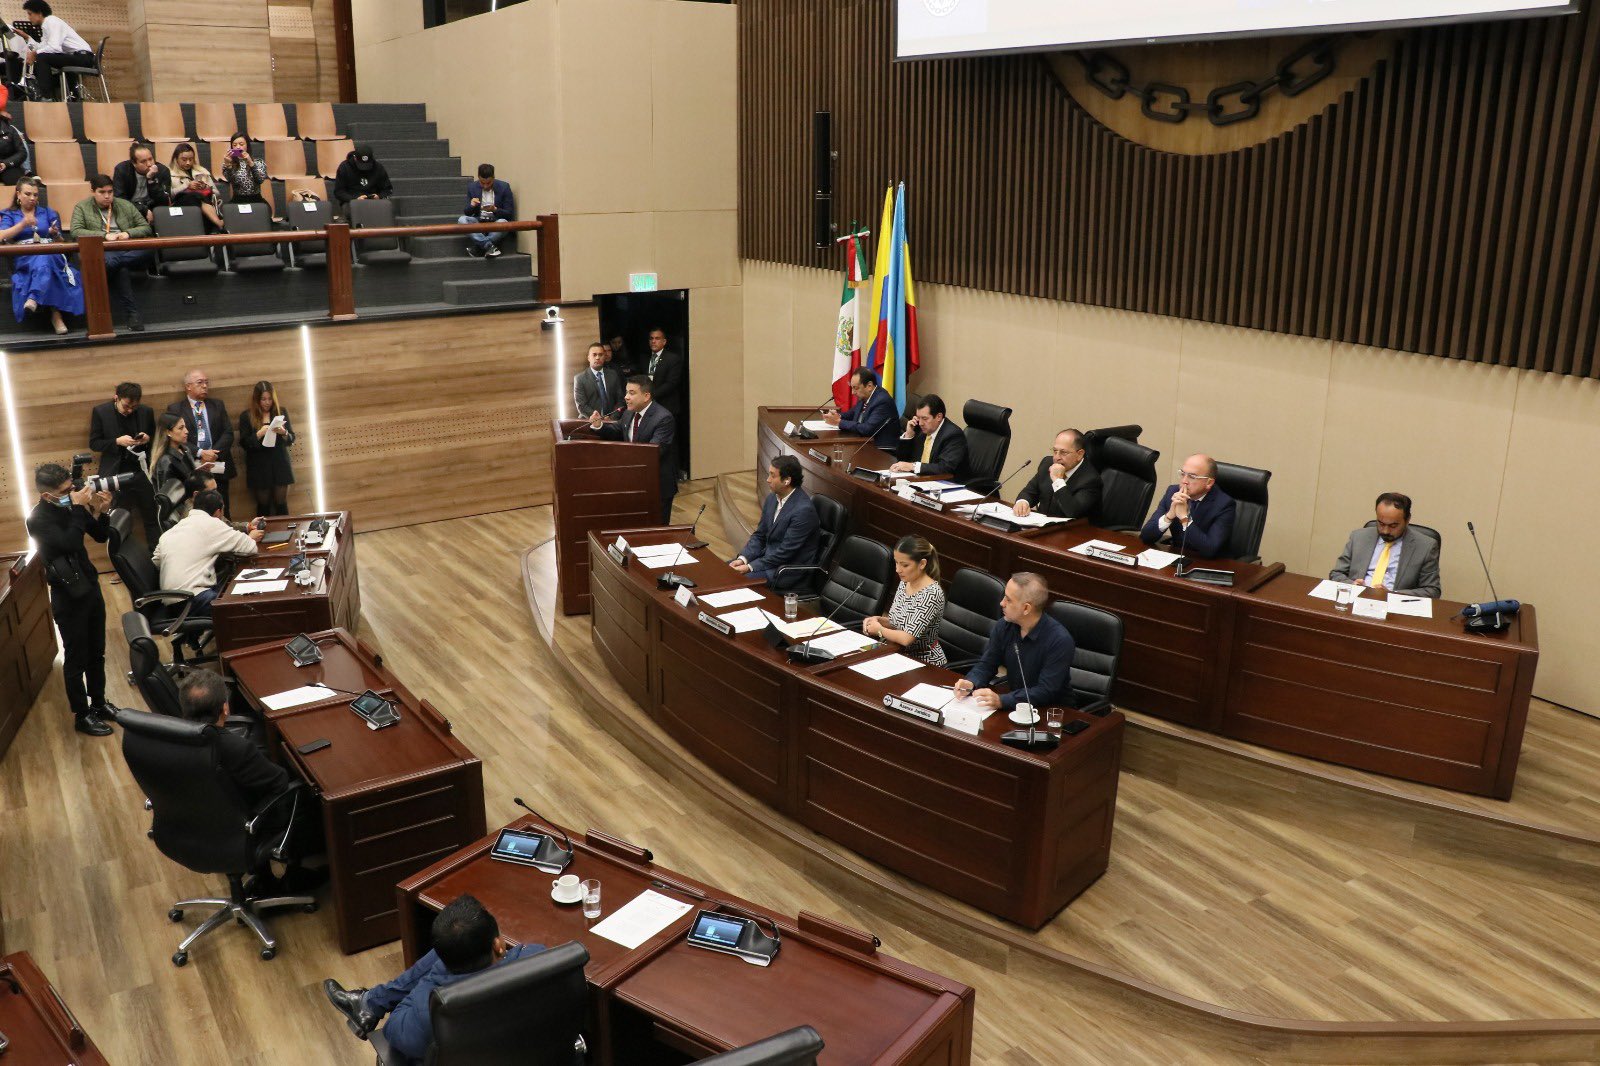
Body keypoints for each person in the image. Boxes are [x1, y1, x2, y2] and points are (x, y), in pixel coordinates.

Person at [322, 894, 545, 1061]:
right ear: (498, 945)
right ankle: (369, 1003)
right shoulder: (541, 961)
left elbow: (392, 1030)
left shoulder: (427, 1015)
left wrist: (438, 971)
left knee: (453, 943)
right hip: (534, 1055)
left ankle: (369, 1005)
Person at [175, 668, 323, 892]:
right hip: (248, 825)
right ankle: (295, 877)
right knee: (313, 792)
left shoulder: (174, 740)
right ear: (225, 708)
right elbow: (281, 782)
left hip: (200, 823)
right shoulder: (236, 748)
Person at [25, 462, 113, 735]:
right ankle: (82, 715)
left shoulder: (71, 508)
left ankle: (99, 703)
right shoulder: (38, 519)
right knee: (76, 658)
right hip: (68, 595)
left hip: (90, 586)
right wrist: (76, 507)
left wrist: (102, 512)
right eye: (64, 491)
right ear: (46, 495)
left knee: (97, 651)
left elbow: (99, 536)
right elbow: (70, 544)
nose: (71, 492)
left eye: (72, 488)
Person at [953, 572, 1073, 713]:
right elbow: (987, 664)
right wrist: (971, 682)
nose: (1001, 603)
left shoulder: (1059, 640)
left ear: (1026, 608)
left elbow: (1046, 691)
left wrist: (1002, 700)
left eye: (1008, 600)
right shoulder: (1004, 626)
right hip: (1018, 707)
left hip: (1052, 713)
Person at [153, 489, 264, 616]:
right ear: (218, 512)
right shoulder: (212, 523)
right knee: (246, 608)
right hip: (193, 599)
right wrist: (252, 536)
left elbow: (156, 561)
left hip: (171, 599)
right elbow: (250, 547)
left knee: (232, 589)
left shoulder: (173, 530)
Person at [587, 375, 678, 523]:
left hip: (656, 486)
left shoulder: (663, 418)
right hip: (633, 482)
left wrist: (620, 457)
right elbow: (618, 430)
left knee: (656, 531)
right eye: (626, 392)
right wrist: (599, 425)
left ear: (646, 396)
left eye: (631, 393)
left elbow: (653, 452)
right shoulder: (630, 412)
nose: (626, 397)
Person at [68, 175, 151, 332]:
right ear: (93, 191)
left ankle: (110, 264)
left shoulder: (125, 205)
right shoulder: (82, 207)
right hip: (102, 250)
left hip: (126, 249)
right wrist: (104, 235)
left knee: (148, 249)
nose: (107, 196)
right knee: (121, 269)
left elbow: (145, 227)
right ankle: (133, 315)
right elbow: (76, 231)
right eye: (102, 192)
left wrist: (128, 233)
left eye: (110, 192)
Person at [0, 177, 80, 334]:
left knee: (45, 258)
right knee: (45, 263)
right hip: (25, 257)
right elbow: (2, 235)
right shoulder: (10, 214)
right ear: (18, 194)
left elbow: (61, 241)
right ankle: (56, 316)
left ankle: (34, 298)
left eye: (35, 195)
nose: (32, 198)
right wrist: (23, 224)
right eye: (28, 194)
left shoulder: (48, 212)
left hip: (50, 253)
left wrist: (56, 234)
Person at [730, 456, 820, 591]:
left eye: (772, 475)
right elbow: (760, 535)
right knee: (721, 571)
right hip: (767, 560)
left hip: (785, 570)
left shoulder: (803, 511)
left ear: (787, 480)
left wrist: (750, 567)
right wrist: (744, 559)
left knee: (733, 582)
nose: (767, 480)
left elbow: (785, 553)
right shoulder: (772, 498)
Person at [1329, 492, 1442, 598]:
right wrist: (1352, 585)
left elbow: (1432, 590)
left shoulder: (1426, 546)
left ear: (1407, 520)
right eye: (1381, 523)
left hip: (1395, 610)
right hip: (1356, 600)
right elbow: (1336, 574)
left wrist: (1392, 595)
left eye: (1393, 526)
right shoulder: (1358, 537)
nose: (1385, 531)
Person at [88, 381, 158, 544]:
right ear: (116, 398)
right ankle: (123, 560)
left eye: (134, 407)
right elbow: (95, 443)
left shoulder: (146, 411)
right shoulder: (101, 412)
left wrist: (147, 439)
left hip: (141, 471)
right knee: (119, 520)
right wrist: (116, 441)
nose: (130, 410)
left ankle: (156, 556)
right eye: (126, 406)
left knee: (151, 516)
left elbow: (156, 439)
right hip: (116, 473)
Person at [862, 535, 947, 666]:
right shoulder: (905, 582)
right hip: (898, 653)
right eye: (896, 562)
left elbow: (907, 638)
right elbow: (898, 622)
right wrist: (879, 620)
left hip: (925, 661)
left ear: (922, 564)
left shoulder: (932, 594)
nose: (897, 570)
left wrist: (879, 630)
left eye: (905, 565)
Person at [1139, 453, 1236, 558]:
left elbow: (1210, 549)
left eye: (1192, 477)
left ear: (1209, 483)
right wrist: (1170, 515)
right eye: (1182, 474)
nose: (1184, 481)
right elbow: (1145, 536)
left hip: (1208, 565)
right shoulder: (1173, 492)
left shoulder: (1224, 504)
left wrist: (1185, 519)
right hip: (1176, 559)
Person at [169, 369, 236, 516]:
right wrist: (200, 452)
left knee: (224, 510)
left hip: (218, 464)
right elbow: (176, 438)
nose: (205, 386)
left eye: (206, 382)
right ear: (188, 386)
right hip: (194, 467)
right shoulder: (176, 409)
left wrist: (213, 454)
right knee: (200, 512)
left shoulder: (217, 405)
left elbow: (228, 433)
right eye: (200, 382)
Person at [1014, 428, 1101, 519]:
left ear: (1079, 454)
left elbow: (1073, 512)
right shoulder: (1047, 463)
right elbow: (1029, 492)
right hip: (1041, 526)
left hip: (1073, 530)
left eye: (1063, 452)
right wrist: (1023, 502)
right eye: (1055, 451)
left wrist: (1058, 480)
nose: (1056, 458)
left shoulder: (1091, 480)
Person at [238, 380, 294, 517]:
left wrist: (284, 433)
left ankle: (286, 536)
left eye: (269, 399)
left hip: (280, 463)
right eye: (263, 399)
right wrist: (259, 433)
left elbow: (292, 439)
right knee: (263, 506)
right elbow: (244, 444)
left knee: (281, 504)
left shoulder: (281, 412)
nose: (267, 402)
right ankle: (263, 536)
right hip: (259, 465)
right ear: (257, 399)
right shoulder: (246, 416)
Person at [20, 1, 92, 101]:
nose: (28, 17)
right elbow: (42, 47)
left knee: (43, 58)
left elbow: (54, 48)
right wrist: (27, 38)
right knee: (43, 57)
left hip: (84, 57)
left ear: (39, 13)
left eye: (30, 14)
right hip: (76, 57)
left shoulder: (51, 21)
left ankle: (47, 97)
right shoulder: (46, 25)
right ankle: (70, 96)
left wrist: (35, 54)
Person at [890, 393, 968, 478]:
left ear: (939, 417)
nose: (920, 423)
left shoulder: (953, 435)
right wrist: (909, 435)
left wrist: (913, 466)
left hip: (945, 483)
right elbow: (902, 459)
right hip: (920, 479)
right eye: (918, 418)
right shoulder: (919, 428)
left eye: (924, 418)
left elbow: (945, 467)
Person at [824, 367, 899, 450]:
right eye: (852, 387)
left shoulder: (882, 401)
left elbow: (867, 429)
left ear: (869, 386)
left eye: (855, 388)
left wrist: (839, 422)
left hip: (881, 450)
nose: (852, 392)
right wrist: (837, 416)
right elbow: (851, 414)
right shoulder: (865, 396)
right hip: (864, 443)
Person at [459, 163, 514, 258]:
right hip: (479, 223)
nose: (485, 186)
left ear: (493, 177)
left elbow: (509, 214)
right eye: (482, 183)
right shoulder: (472, 187)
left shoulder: (504, 187)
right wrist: (472, 206)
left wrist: (495, 209)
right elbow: (467, 212)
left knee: (503, 222)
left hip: (497, 223)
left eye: (488, 183)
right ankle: (488, 246)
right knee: (462, 220)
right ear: (478, 177)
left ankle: (479, 248)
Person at [111, 141, 174, 221]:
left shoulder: (162, 171)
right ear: (134, 163)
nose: (149, 164)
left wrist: (151, 180)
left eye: (150, 159)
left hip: (154, 209)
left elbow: (164, 201)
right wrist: (143, 210)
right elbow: (119, 199)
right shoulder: (122, 170)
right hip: (131, 209)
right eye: (143, 161)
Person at [168, 143, 224, 231]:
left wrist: (206, 187)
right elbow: (169, 195)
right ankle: (218, 223)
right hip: (181, 205)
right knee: (194, 195)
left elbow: (217, 193)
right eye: (184, 159)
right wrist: (186, 186)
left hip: (202, 206)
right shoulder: (169, 174)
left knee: (198, 197)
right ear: (176, 159)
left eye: (191, 159)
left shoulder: (202, 171)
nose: (188, 163)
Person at [642, 327, 685, 427]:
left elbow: (671, 383)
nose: (653, 341)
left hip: (667, 406)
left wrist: (651, 395)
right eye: (651, 338)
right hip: (647, 407)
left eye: (657, 338)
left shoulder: (673, 358)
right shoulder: (644, 358)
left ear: (664, 341)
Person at [148, 412, 199, 496]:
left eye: (185, 427)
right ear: (168, 432)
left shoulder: (185, 450)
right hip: (180, 506)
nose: (186, 431)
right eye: (181, 428)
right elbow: (166, 495)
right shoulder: (165, 460)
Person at [573, 341, 623, 419]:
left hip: (611, 421)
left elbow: (620, 401)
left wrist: (612, 418)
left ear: (605, 357)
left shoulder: (613, 375)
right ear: (588, 357)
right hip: (589, 422)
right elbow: (581, 406)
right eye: (594, 355)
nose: (597, 357)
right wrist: (599, 419)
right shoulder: (580, 379)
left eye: (600, 355)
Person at [217, 132, 269, 207]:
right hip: (238, 200)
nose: (238, 147)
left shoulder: (258, 162)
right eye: (234, 145)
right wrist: (228, 165)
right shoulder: (228, 163)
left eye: (241, 144)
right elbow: (230, 180)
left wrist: (250, 163)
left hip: (256, 200)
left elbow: (260, 180)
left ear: (247, 145)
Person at [0, 109, 25, 184]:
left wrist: (5, 163)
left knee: (19, 184)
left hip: (8, 166)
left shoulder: (10, 130)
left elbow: (22, 152)